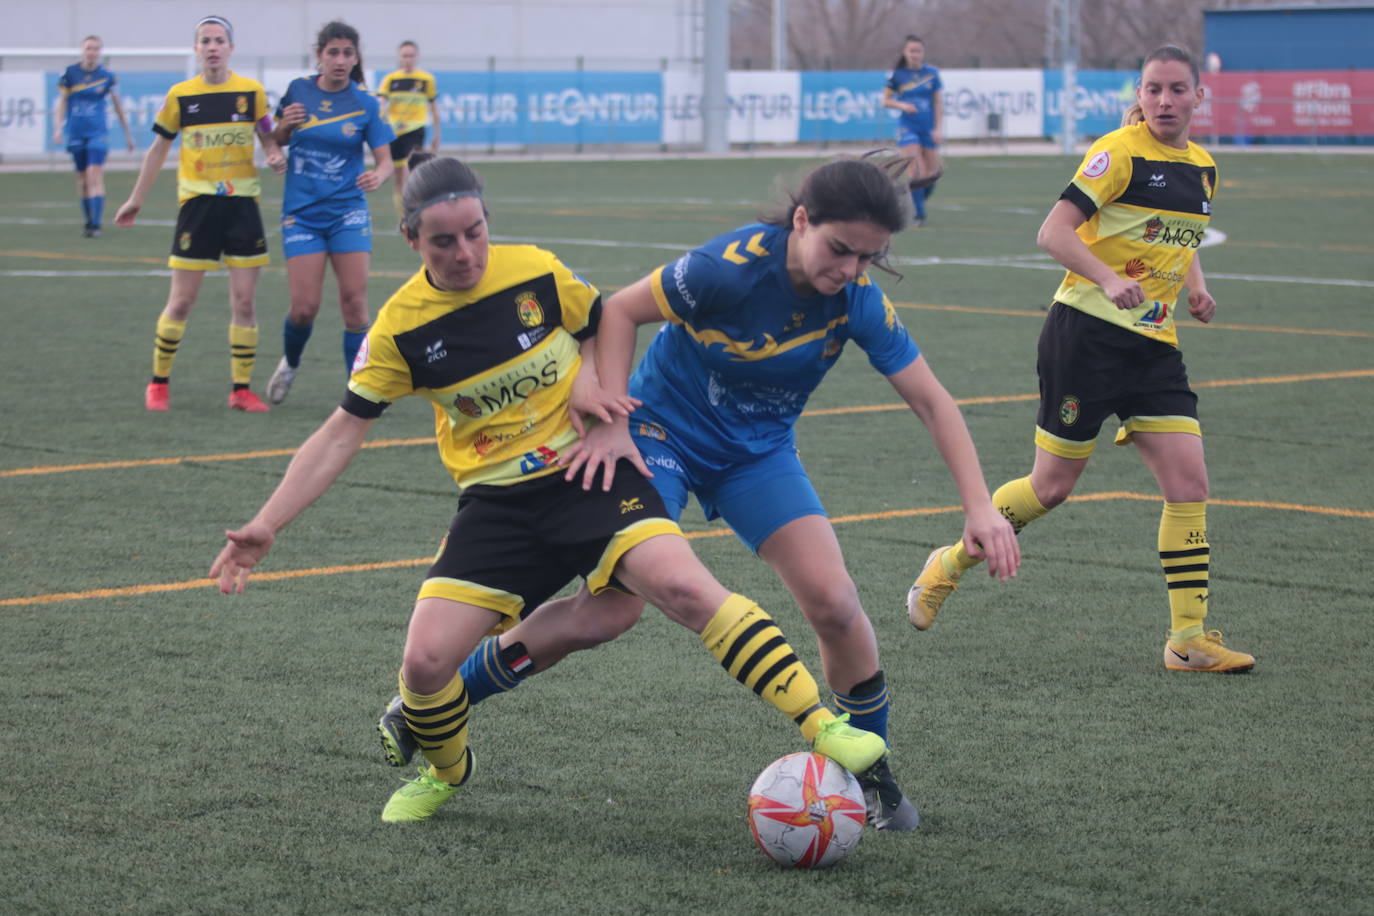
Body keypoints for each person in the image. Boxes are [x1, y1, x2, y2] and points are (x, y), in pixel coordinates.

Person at [209, 156, 889, 825]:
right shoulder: (400, 328)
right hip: (497, 501)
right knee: (423, 663)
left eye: (476, 231)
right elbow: (339, 432)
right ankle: (447, 772)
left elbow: (601, 320)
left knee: (682, 588)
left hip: (587, 471)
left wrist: (597, 383)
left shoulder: (534, 269)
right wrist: (268, 524)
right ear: (412, 240)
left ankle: (819, 722)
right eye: (443, 241)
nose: (466, 252)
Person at [376, 155, 1021, 831]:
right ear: (801, 221)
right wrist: (610, 421)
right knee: (607, 616)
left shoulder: (856, 299)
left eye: (868, 256)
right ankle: (437, 702)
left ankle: (874, 776)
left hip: (757, 456)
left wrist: (979, 506)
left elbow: (933, 401)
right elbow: (619, 311)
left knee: (835, 602)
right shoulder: (728, 268)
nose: (850, 269)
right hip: (658, 436)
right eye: (839, 250)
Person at [906, 46, 1255, 675]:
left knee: (1190, 483)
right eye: (1154, 90)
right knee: (1052, 487)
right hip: (1086, 336)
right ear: (1140, 94)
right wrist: (1105, 277)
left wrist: (1195, 285)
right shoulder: (1116, 153)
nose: (1165, 102)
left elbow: (1179, 234)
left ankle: (1188, 639)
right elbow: (1053, 232)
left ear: (1200, 96)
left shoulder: (1204, 168)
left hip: (1154, 345)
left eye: (1178, 90)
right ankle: (948, 563)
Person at [114, 16, 286, 413]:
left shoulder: (251, 92)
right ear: (196, 49)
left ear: (230, 48)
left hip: (243, 207)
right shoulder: (180, 96)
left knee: (245, 303)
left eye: (219, 40)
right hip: (198, 207)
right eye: (205, 41)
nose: (212, 47)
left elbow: (268, 135)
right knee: (181, 302)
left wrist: (275, 154)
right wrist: (136, 198)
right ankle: (158, 384)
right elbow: (158, 149)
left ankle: (241, 390)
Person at [264, 21, 394, 406]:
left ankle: (357, 392)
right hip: (302, 212)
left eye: (347, 54)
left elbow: (386, 160)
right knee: (304, 308)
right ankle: (290, 362)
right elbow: (276, 138)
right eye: (333, 52)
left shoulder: (366, 103)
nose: (340, 60)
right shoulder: (298, 90)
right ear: (318, 55)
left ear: (356, 58)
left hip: (348, 212)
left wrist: (379, 176)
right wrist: (284, 128)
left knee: (354, 302)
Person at [52, 35, 135, 238]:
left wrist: (128, 135)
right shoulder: (70, 74)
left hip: (98, 133)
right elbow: (62, 101)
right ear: (83, 51)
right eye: (89, 48)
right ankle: (88, 222)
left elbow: (118, 106)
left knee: (94, 175)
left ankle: (96, 224)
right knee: (82, 180)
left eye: (96, 49)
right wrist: (58, 128)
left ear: (100, 52)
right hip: (76, 132)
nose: (92, 52)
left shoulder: (107, 76)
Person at [881, 35, 943, 227]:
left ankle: (915, 200)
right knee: (917, 170)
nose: (915, 54)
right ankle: (919, 215)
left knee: (931, 174)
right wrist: (902, 105)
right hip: (908, 127)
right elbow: (886, 100)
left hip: (928, 128)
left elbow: (938, 102)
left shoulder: (932, 73)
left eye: (919, 51)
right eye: (912, 50)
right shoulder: (897, 75)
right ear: (905, 52)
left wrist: (938, 128)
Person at [375, 41, 440, 206]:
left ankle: (414, 211)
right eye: (405, 56)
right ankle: (403, 216)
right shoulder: (390, 79)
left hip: (416, 129)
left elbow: (434, 107)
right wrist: (380, 113)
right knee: (398, 177)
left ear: (417, 57)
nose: (408, 59)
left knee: (409, 170)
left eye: (411, 55)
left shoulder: (426, 79)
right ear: (399, 57)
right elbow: (381, 101)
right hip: (395, 131)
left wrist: (437, 134)